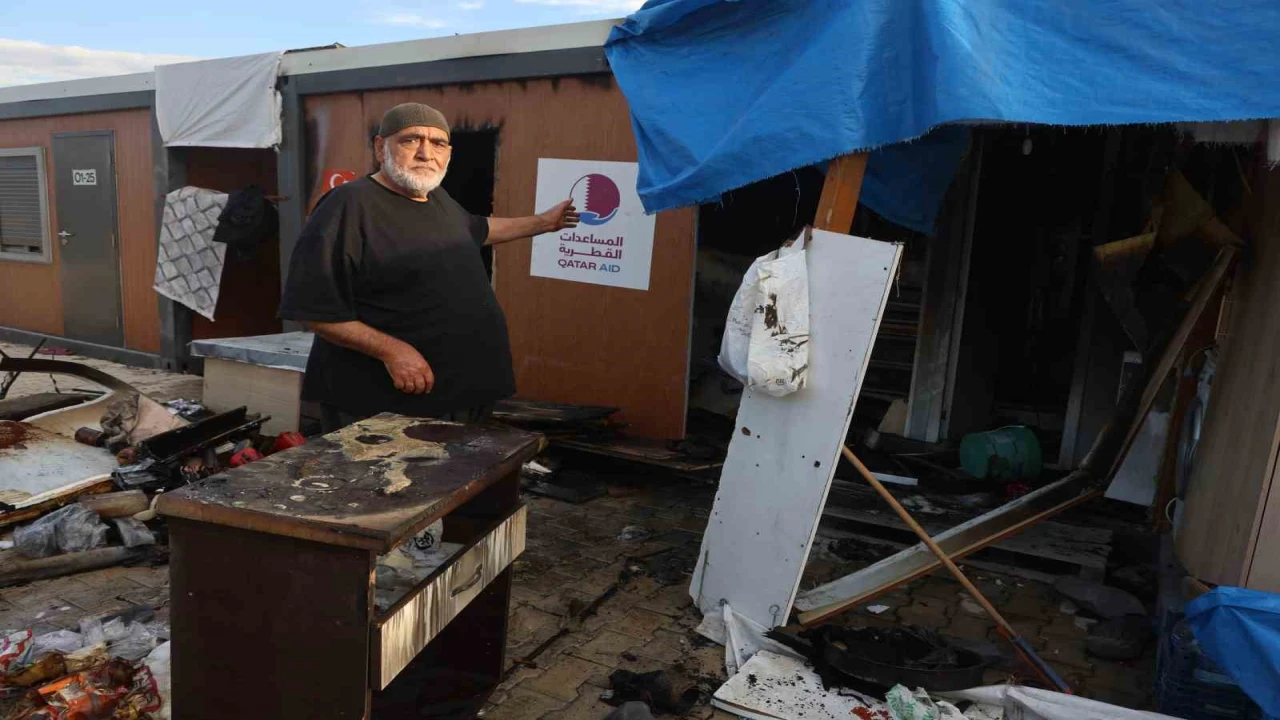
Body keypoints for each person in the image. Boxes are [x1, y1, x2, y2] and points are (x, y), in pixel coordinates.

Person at [279, 102, 580, 431]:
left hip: (459, 393)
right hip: (385, 404)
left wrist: (544, 222)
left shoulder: (437, 199)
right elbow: (315, 310)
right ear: (381, 147)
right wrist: (394, 351)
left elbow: (479, 229)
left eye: (438, 143)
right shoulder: (348, 205)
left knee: (461, 481)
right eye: (411, 140)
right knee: (384, 483)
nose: (426, 153)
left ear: (448, 153)